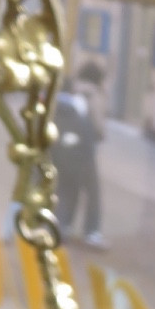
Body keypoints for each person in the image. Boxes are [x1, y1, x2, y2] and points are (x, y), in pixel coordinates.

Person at [51, 78, 107, 248]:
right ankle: (92, 232)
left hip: (60, 154)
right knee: (92, 193)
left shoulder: (52, 102)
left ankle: (62, 227)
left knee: (65, 189)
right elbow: (97, 128)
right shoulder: (88, 98)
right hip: (83, 155)